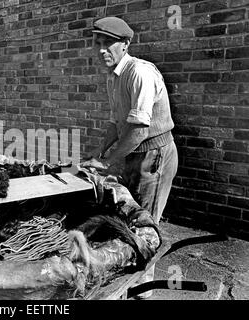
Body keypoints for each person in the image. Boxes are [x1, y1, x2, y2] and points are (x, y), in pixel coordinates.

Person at [82, 16, 178, 299]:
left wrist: (108, 162)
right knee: (129, 214)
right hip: (136, 154)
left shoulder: (140, 73)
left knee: (147, 223)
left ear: (124, 44)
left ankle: (142, 290)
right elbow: (116, 123)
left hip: (156, 154)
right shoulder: (113, 77)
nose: (101, 50)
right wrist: (98, 154)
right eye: (97, 43)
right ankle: (131, 277)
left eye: (108, 43)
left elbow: (138, 130)